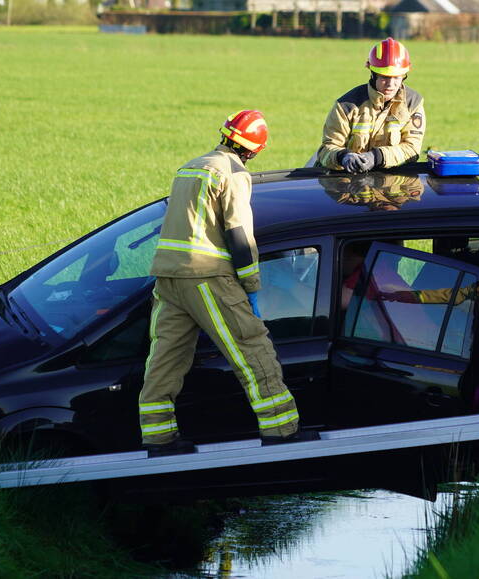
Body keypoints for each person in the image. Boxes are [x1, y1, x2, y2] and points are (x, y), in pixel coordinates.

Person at [138, 110, 318, 456]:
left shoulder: (191, 166)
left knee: (165, 359)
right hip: (206, 277)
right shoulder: (234, 173)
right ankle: (281, 430)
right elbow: (238, 233)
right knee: (252, 348)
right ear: (253, 150)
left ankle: (159, 439)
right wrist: (250, 282)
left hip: (167, 277)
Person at [315, 37, 426, 173]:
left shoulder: (412, 103)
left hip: (390, 183)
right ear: (373, 73)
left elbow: (411, 149)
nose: (391, 84)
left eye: (397, 77)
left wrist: (376, 157)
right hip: (344, 180)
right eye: (385, 77)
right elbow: (326, 149)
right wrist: (343, 157)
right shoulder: (346, 105)